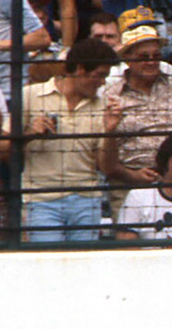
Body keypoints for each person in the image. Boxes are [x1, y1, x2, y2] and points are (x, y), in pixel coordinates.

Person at [17, 36, 116, 243]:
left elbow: (106, 167)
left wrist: (111, 131)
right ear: (80, 69)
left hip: (87, 199)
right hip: (42, 199)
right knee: (48, 263)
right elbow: (1, 148)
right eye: (99, 75)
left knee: (84, 266)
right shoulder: (30, 95)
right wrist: (29, 134)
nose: (103, 82)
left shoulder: (104, 105)